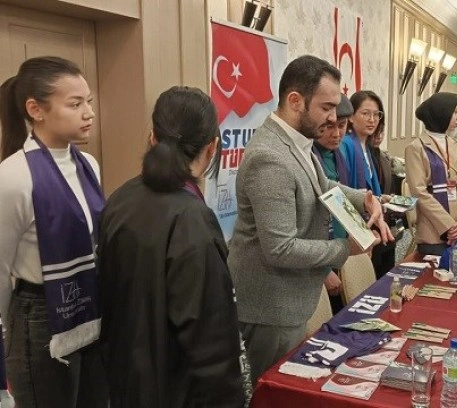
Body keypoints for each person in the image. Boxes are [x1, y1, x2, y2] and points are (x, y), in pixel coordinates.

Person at [227, 55, 391, 385]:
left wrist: (363, 197)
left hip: (290, 298)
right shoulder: (270, 158)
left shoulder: (295, 141)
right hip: (272, 305)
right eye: (326, 107)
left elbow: (321, 185)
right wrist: (345, 249)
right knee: (275, 391)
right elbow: (281, 249)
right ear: (295, 101)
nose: (333, 117)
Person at [96, 86, 244, 407]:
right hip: (176, 390)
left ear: (152, 138)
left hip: (123, 380)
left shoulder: (120, 199)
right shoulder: (192, 219)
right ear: (212, 147)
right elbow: (211, 339)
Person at [0, 56, 107, 407]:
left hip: (89, 305)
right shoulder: (13, 176)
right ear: (36, 110)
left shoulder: (88, 165)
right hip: (39, 316)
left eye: (88, 101)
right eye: (75, 104)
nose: (89, 113)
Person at [404, 92, 457, 256]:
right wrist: (449, 226)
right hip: (434, 230)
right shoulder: (416, 148)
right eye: (455, 112)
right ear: (441, 113)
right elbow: (419, 192)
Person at [312, 92, 353, 313]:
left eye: (342, 125)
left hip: (340, 250)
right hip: (319, 261)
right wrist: (324, 271)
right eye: (329, 127)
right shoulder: (308, 157)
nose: (336, 134)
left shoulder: (339, 154)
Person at [369, 122, 403, 279]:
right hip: (372, 224)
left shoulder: (384, 157)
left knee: (387, 271)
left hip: (388, 220)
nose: (379, 136)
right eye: (376, 132)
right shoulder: (360, 154)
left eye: (382, 131)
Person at [340, 90, 384, 195]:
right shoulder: (345, 144)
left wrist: (381, 198)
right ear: (351, 117)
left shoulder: (367, 146)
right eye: (365, 113)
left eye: (376, 114)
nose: (372, 120)